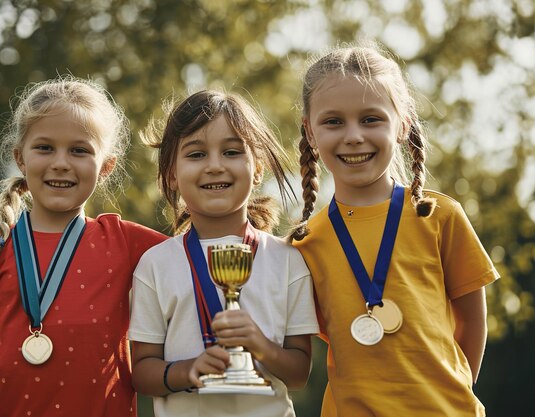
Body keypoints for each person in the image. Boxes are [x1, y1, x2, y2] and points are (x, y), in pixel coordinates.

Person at [290, 43, 500, 416]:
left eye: (371, 119)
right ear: (309, 131)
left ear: (402, 124)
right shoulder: (305, 243)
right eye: (333, 122)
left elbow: (472, 321)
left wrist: (449, 394)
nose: (353, 136)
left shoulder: (438, 217)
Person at [0, 75, 167, 417]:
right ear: (20, 158)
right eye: (45, 148)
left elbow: (203, 253)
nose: (61, 162)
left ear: (106, 166)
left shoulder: (127, 242)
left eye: (79, 150)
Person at [129, 90, 319, 417]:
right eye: (196, 154)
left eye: (231, 152)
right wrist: (187, 371)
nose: (215, 166)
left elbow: (299, 373)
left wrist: (259, 343)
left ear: (257, 169)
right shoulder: (155, 264)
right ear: (172, 174)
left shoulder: (288, 260)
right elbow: (142, 372)